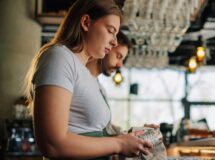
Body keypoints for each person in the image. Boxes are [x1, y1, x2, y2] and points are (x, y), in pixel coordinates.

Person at [24, 0, 152, 159]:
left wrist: (135, 136)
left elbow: (95, 133)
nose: (114, 42)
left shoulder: (86, 74)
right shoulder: (60, 57)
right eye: (110, 31)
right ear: (86, 22)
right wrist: (119, 144)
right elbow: (53, 144)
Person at [86, 31, 159, 136]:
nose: (120, 65)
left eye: (122, 60)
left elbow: (107, 130)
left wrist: (137, 132)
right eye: (118, 56)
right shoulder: (78, 78)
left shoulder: (99, 88)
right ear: (106, 48)